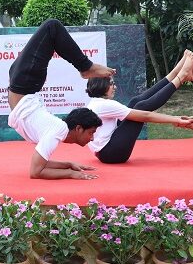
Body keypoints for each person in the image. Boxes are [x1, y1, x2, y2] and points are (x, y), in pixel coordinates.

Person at [7, 19, 116, 180]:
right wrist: (70, 173)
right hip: (24, 85)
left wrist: (67, 165)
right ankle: (86, 68)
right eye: (92, 132)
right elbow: (36, 171)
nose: (92, 138)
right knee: (52, 28)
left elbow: (38, 167)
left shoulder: (56, 131)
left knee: (52, 29)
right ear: (78, 128)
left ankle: (86, 67)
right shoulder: (57, 130)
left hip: (23, 84)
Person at [86, 51, 193, 164]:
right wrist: (176, 119)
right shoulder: (104, 105)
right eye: (112, 83)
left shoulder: (97, 103)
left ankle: (177, 71)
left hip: (107, 152)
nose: (115, 87)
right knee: (141, 107)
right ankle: (181, 77)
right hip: (112, 153)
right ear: (102, 85)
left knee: (135, 102)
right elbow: (145, 116)